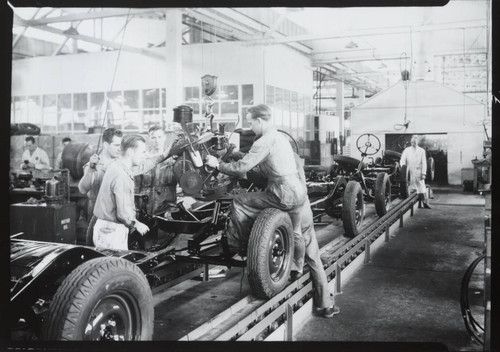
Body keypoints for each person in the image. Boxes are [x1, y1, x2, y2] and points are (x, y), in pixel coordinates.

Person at [204, 104, 307, 253]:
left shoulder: (263, 141)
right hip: (298, 191)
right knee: (296, 232)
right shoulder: (280, 137)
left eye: (251, 123)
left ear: (259, 121)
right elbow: (258, 160)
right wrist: (234, 154)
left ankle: (241, 247)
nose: (251, 128)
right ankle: (297, 269)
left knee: (239, 202)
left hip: (282, 193)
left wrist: (217, 165)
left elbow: (242, 167)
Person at [291, 154, 340, 318]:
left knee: (296, 239)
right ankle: (326, 305)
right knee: (313, 257)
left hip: (290, 209)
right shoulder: (293, 158)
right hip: (301, 208)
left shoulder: (271, 159)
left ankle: (296, 268)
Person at [92, 135, 150, 250]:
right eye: (143, 152)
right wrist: (137, 224)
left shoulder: (116, 166)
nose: (145, 156)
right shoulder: (121, 175)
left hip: (105, 228)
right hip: (112, 232)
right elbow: (122, 214)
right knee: (116, 266)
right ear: (131, 152)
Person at [78, 128, 123, 218]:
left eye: (121, 145)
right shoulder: (92, 165)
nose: (120, 149)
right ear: (106, 145)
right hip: (98, 211)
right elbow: (83, 190)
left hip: (118, 210)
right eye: (116, 145)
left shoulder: (121, 163)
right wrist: (91, 169)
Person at [135, 125, 177, 215]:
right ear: (149, 139)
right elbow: (136, 185)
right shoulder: (143, 158)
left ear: (165, 137)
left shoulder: (173, 158)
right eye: (153, 137)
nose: (157, 140)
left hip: (167, 205)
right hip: (145, 205)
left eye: (159, 137)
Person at [400, 134, 431, 209]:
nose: (413, 144)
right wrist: (404, 168)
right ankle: (409, 205)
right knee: (409, 188)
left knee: (421, 187)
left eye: (414, 142)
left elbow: (424, 162)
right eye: (412, 142)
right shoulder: (407, 150)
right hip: (409, 171)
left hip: (418, 172)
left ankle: (425, 202)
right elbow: (402, 160)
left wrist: (423, 173)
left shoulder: (421, 151)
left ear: (417, 142)